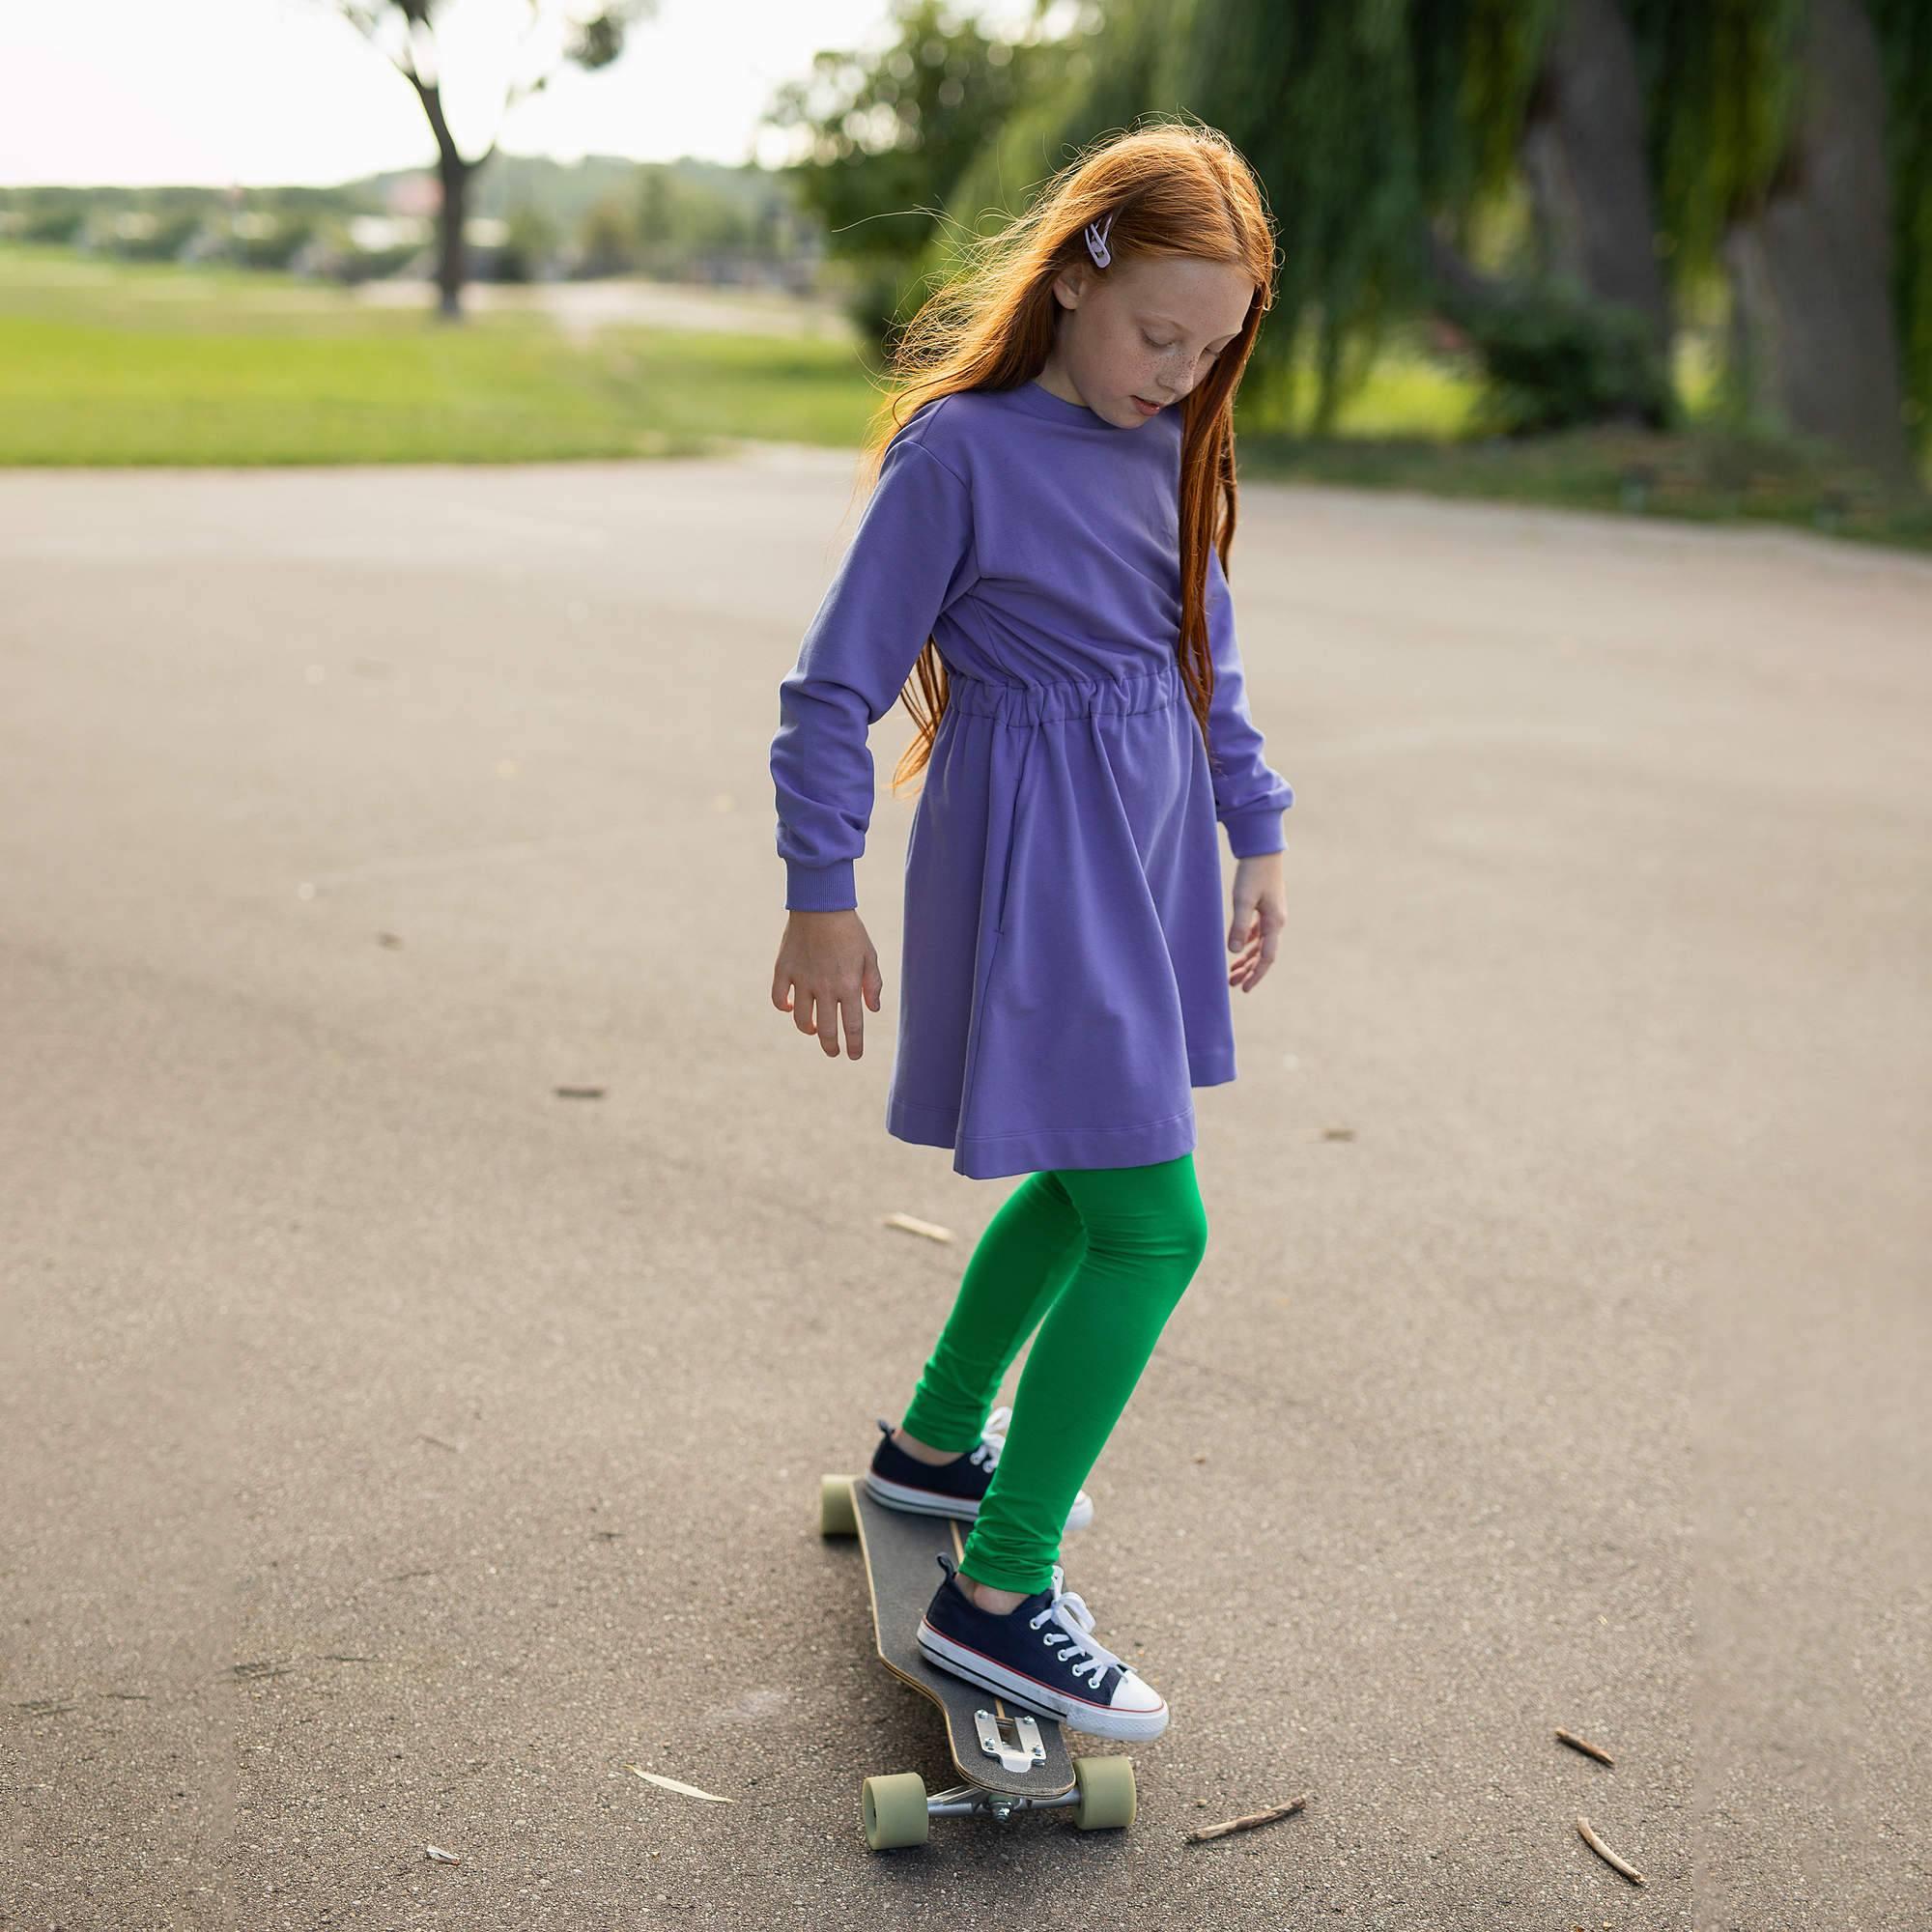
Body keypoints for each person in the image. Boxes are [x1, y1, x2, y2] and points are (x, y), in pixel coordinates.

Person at [768, 123, 1292, 1745]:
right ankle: (999, 1595)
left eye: (1214, 349)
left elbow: (1206, 657)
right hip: (1038, 881)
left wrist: (1255, 830)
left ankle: (934, 1449)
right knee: (1157, 1224)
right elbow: (828, 694)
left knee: (1085, 1181)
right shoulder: (964, 456)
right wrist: (820, 895)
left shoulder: (1173, 444)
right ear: (1077, 273)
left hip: (1136, 869)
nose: (1180, 373)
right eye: (1159, 336)